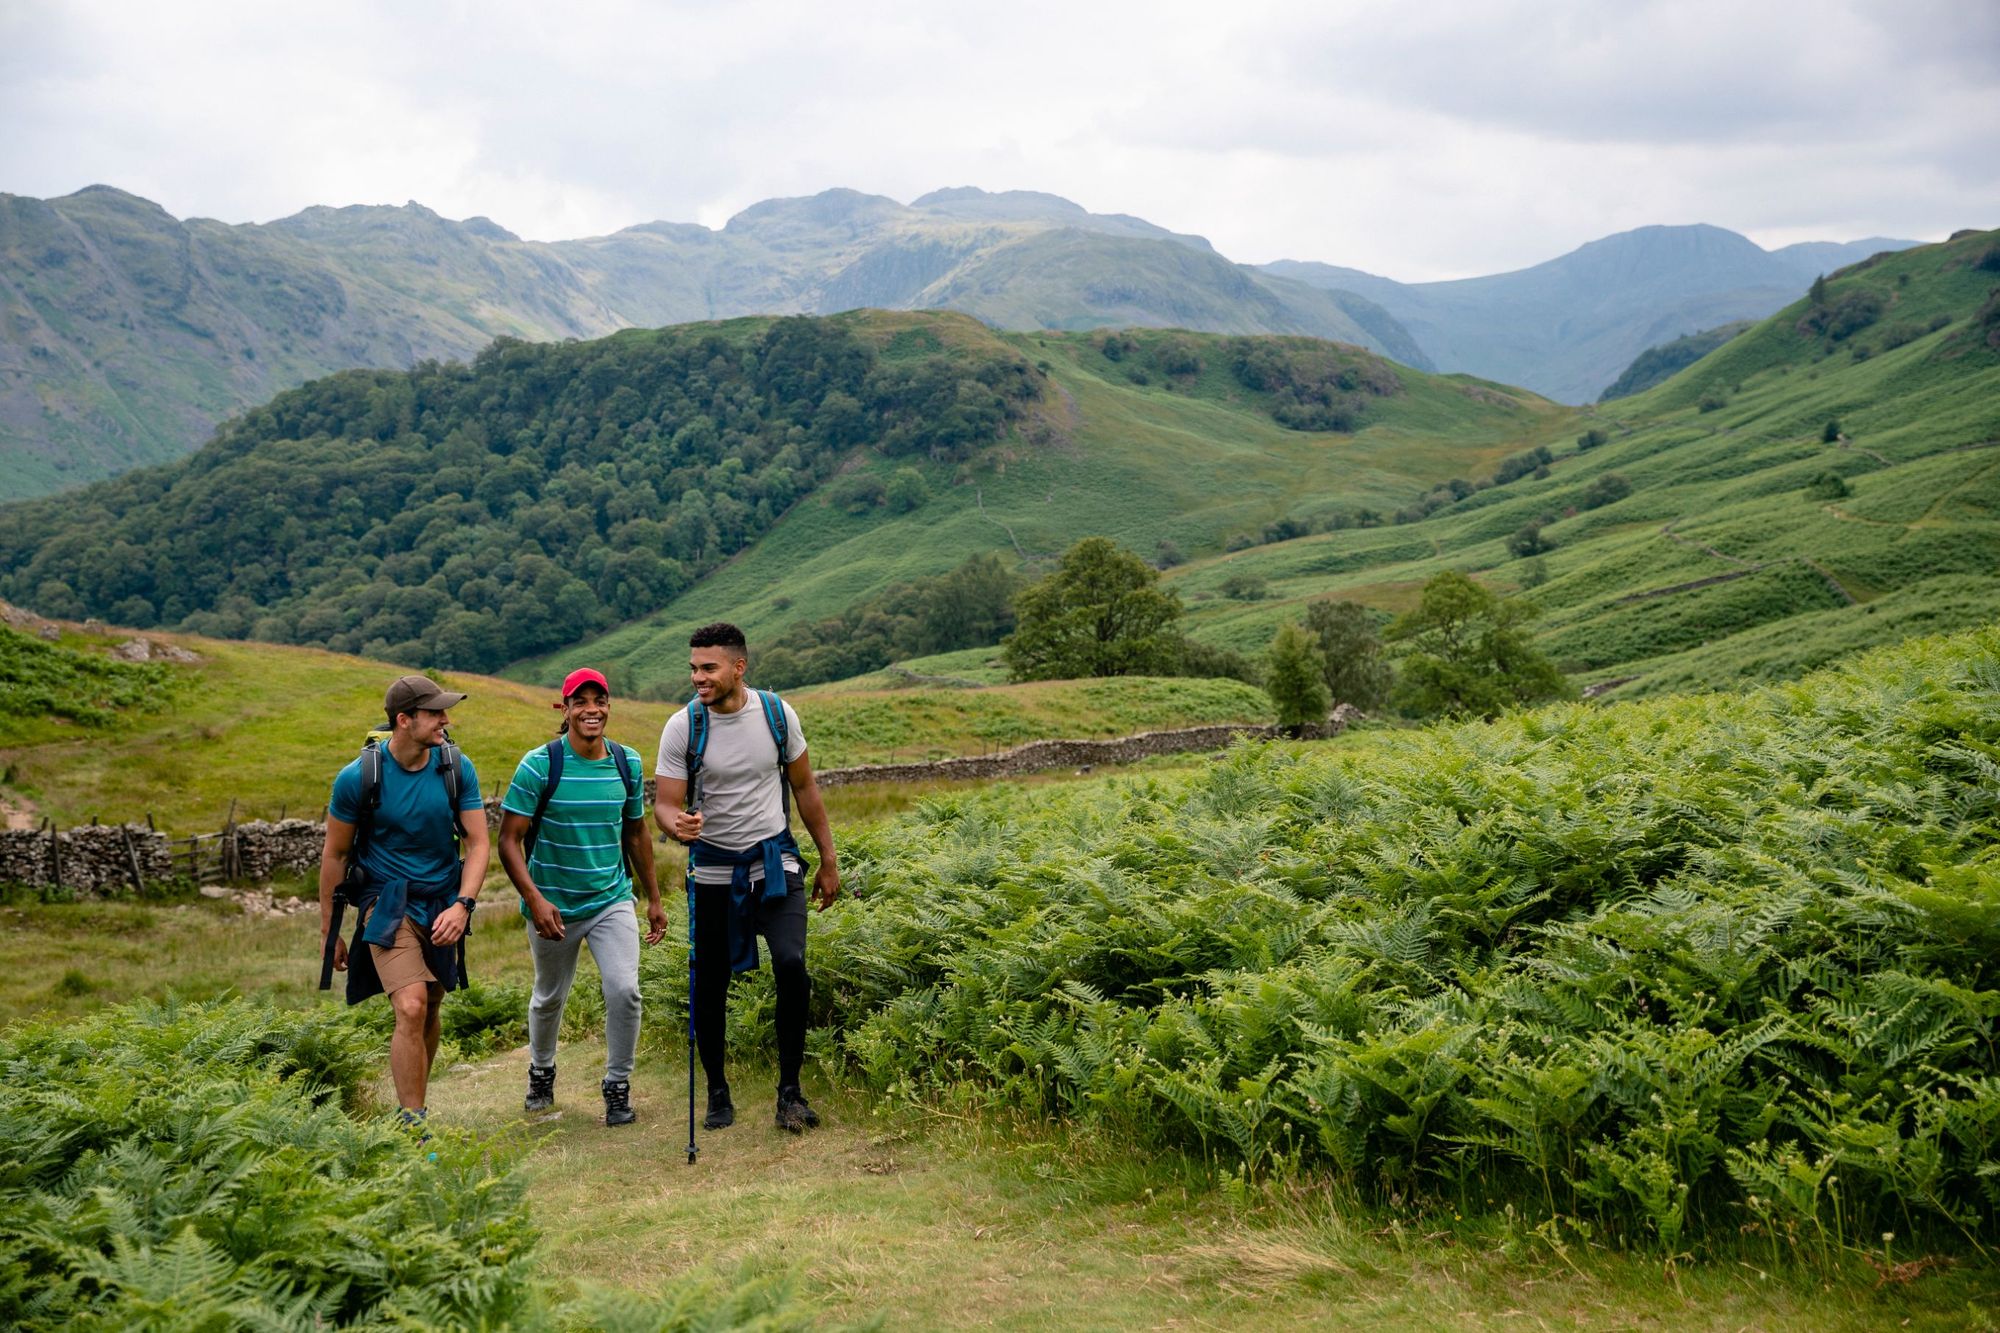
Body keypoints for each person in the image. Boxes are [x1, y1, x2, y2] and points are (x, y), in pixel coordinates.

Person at [653, 622, 840, 1134]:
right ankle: (717, 1088)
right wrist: (679, 826)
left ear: (739, 667)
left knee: (792, 962)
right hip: (712, 870)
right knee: (708, 982)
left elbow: (804, 788)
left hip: (774, 864)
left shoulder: (777, 715)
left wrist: (828, 858)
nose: (698, 678)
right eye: (693, 668)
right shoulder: (683, 727)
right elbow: (665, 806)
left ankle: (790, 1092)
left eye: (708, 668)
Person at [319, 674, 490, 1129]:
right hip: (386, 902)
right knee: (411, 1005)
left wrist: (462, 905)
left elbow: (477, 844)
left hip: (442, 900)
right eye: (435, 713)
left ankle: (415, 1102)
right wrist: (329, 932)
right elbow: (334, 855)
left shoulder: (456, 767)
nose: (446, 720)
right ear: (404, 720)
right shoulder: (358, 778)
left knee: (432, 1003)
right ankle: (413, 1126)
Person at [496, 668, 665, 1126]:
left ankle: (617, 1086)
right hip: (552, 907)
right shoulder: (539, 764)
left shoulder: (627, 762)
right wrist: (534, 900)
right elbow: (509, 840)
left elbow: (636, 832)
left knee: (625, 990)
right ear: (565, 709)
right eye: (581, 701)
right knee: (550, 996)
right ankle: (542, 1072)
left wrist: (652, 898)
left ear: (609, 706)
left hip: (611, 898)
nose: (592, 709)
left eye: (600, 700)